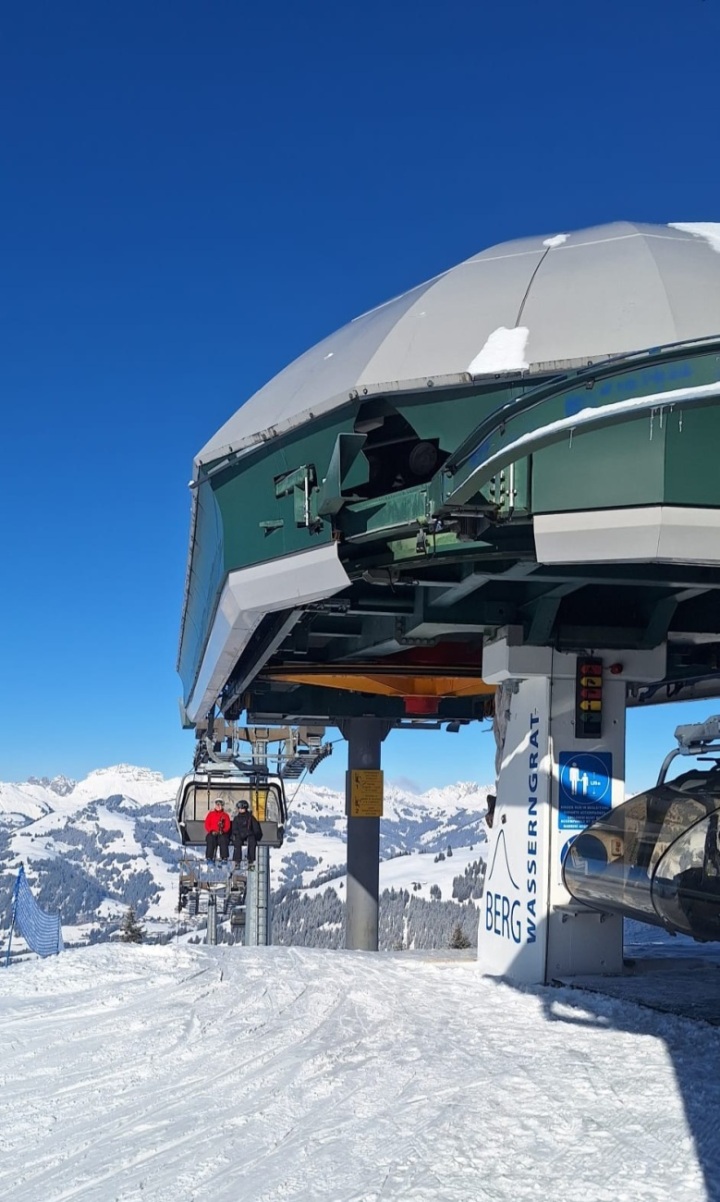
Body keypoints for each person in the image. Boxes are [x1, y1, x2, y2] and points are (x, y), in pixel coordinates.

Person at [232, 799, 263, 870]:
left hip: (248, 834)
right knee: (237, 842)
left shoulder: (250, 818)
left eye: (242, 808)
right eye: (239, 808)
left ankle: (251, 861)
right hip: (239, 835)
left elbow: (255, 828)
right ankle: (237, 861)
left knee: (252, 841)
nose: (241, 810)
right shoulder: (237, 819)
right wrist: (236, 834)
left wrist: (256, 835)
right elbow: (234, 829)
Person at [204, 798, 232, 864]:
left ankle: (224, 857)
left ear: (222, 806)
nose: (218, 806)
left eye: (220, 805)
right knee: (210, 839)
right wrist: (211, 830)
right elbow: (207, 824)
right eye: (217, 805)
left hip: (222, 833)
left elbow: (227, 826)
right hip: (213, 832)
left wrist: (223, 830)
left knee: (223, 839)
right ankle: (209, 857)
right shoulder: (211, 814)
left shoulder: (225, 815)